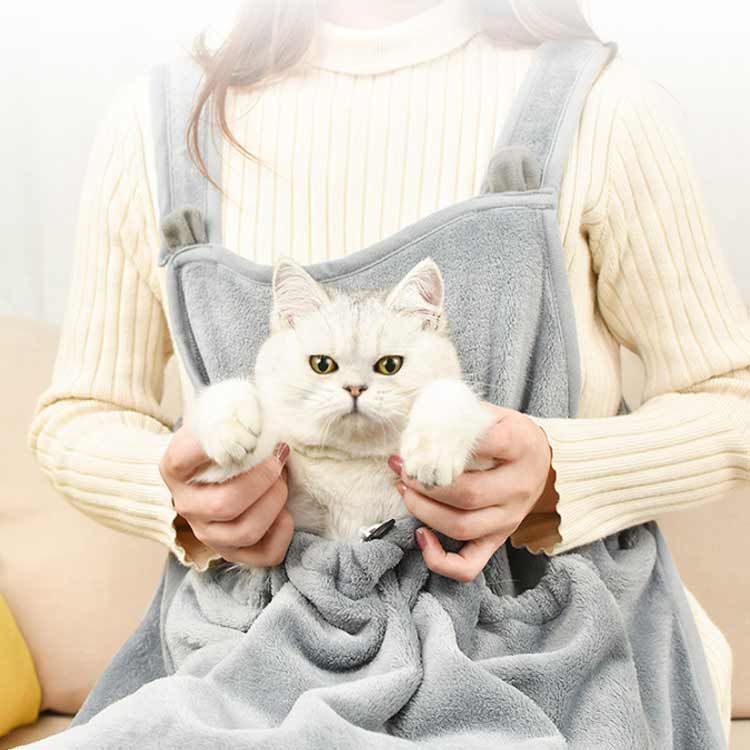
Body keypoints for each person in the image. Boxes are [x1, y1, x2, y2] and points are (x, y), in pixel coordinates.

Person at [29, 0, 749, 737]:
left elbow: (733, 398)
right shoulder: (159, 125)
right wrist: (180, 492)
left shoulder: (600, 105)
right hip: (244, 658)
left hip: (544, 651)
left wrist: (559, 472)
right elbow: (79, 415)